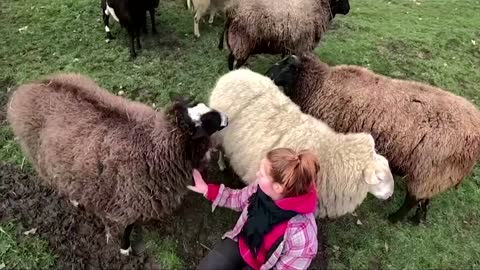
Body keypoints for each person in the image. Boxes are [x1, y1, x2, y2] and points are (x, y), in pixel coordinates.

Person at [188, 148, 320, 270]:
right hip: (241, 243)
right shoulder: (261, 189)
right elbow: (239, 198)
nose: (257, 174)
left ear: (278, 187)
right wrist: (207, 190)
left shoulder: (302, 236)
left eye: (262, 174)